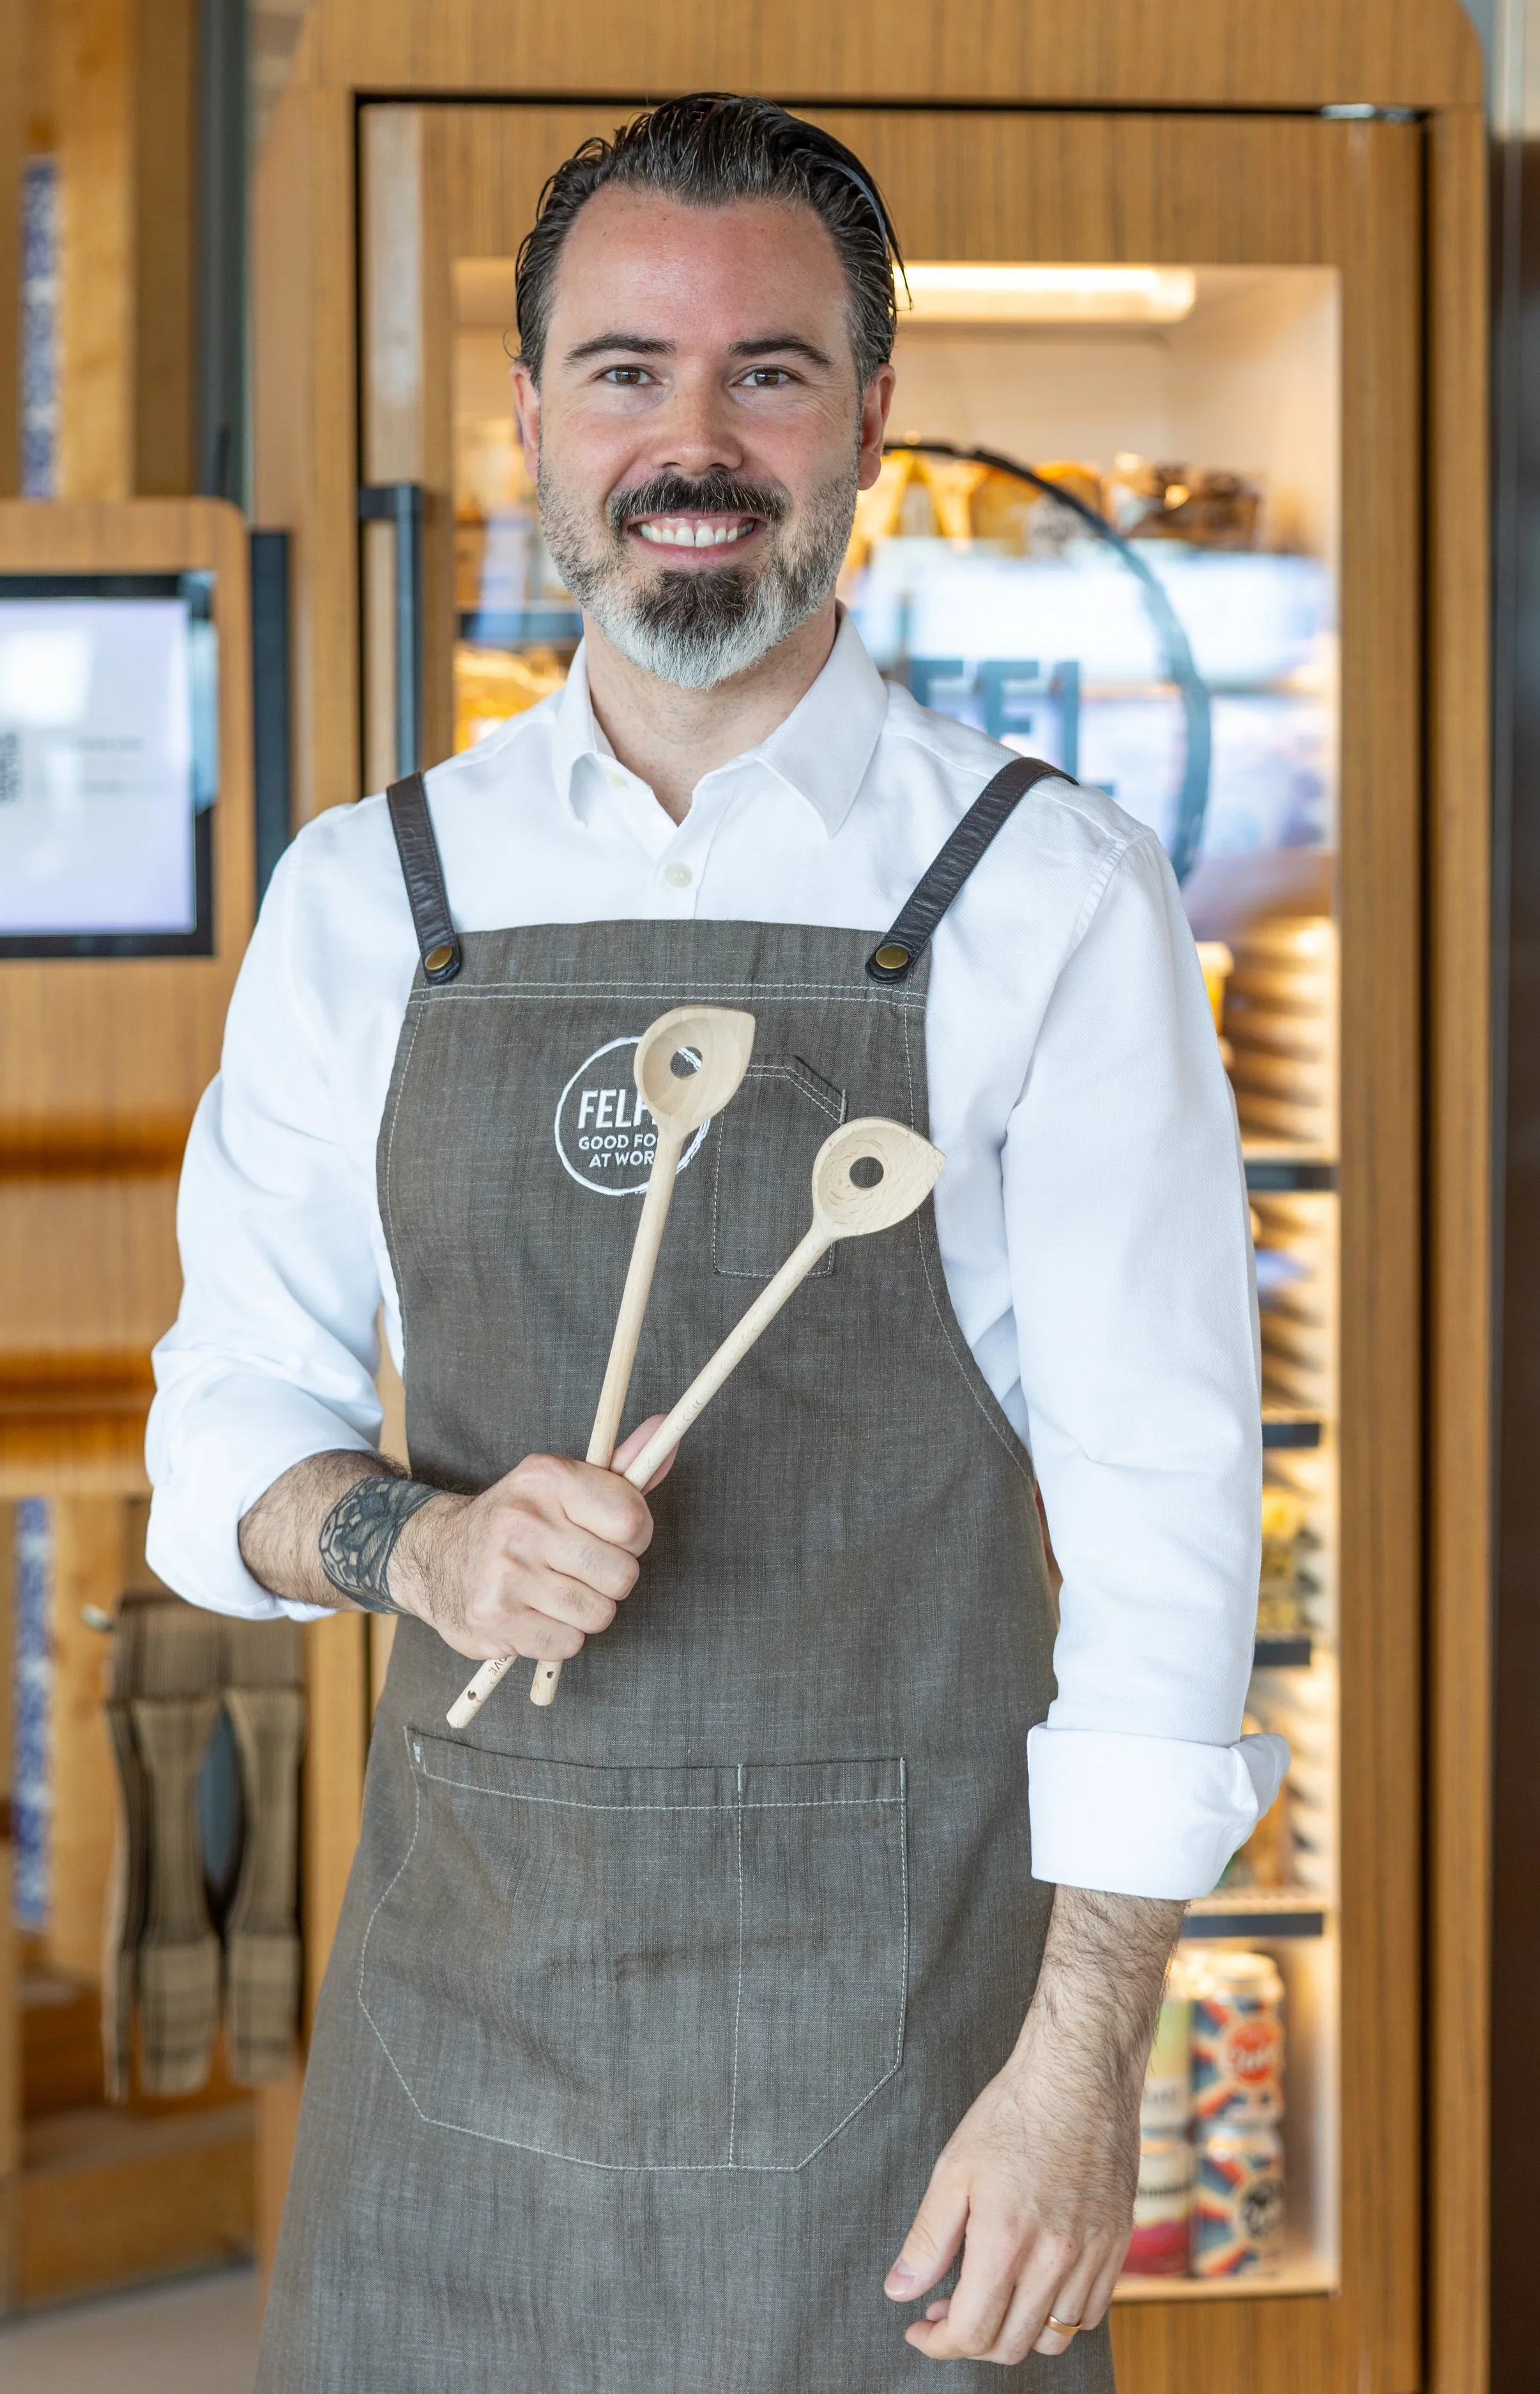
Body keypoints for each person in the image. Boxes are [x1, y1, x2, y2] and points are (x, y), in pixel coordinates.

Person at [148, 94, 1285, 2390]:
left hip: (908, 2042)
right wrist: (417, 1547)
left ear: (871, 410)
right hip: (465, 2036)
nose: (694, 438)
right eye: (624, 370)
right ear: (533, 419)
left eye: (766, 368)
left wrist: (1079, 2065)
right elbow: (220, 1434)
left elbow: (1167, 1515)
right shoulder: (376, 893)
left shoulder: (1043, 892)